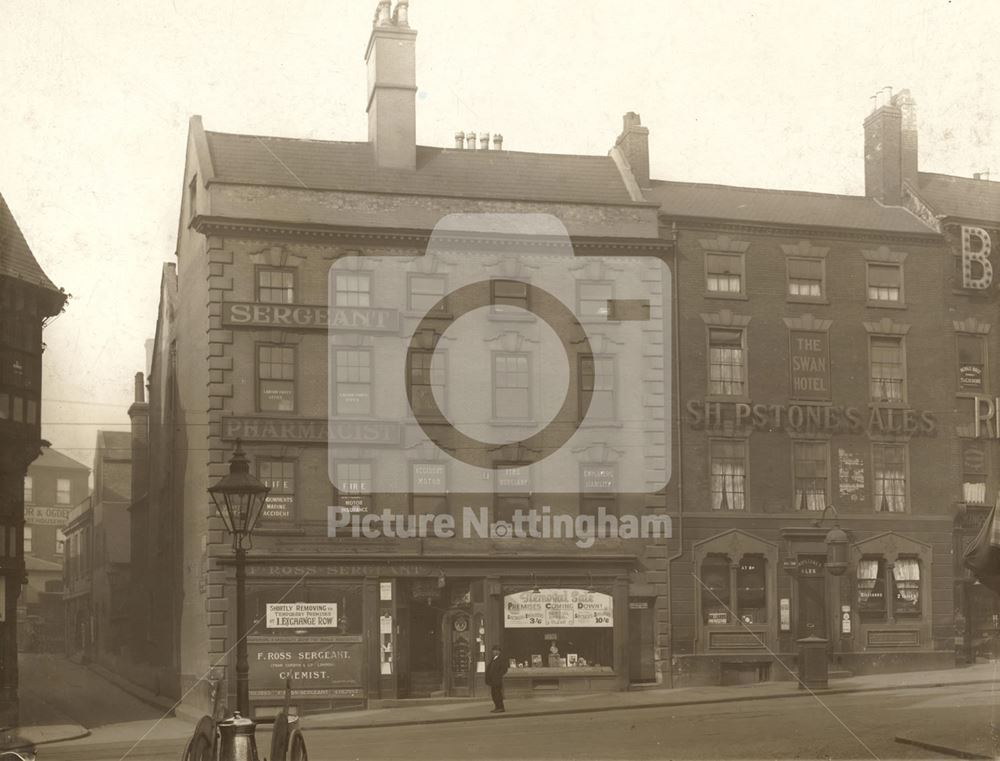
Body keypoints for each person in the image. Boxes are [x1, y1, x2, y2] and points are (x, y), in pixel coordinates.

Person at [484, 644, 509, 713]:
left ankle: (500, 707)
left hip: (497, 680)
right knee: (494, 694)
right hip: (493, 680)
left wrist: (498, 675)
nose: (495, 652)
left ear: (499, 652)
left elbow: (504, 669)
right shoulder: (493, 658)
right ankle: (497, 707)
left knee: (497, 694)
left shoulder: (501, 659)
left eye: (497, 651)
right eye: (494, 650)